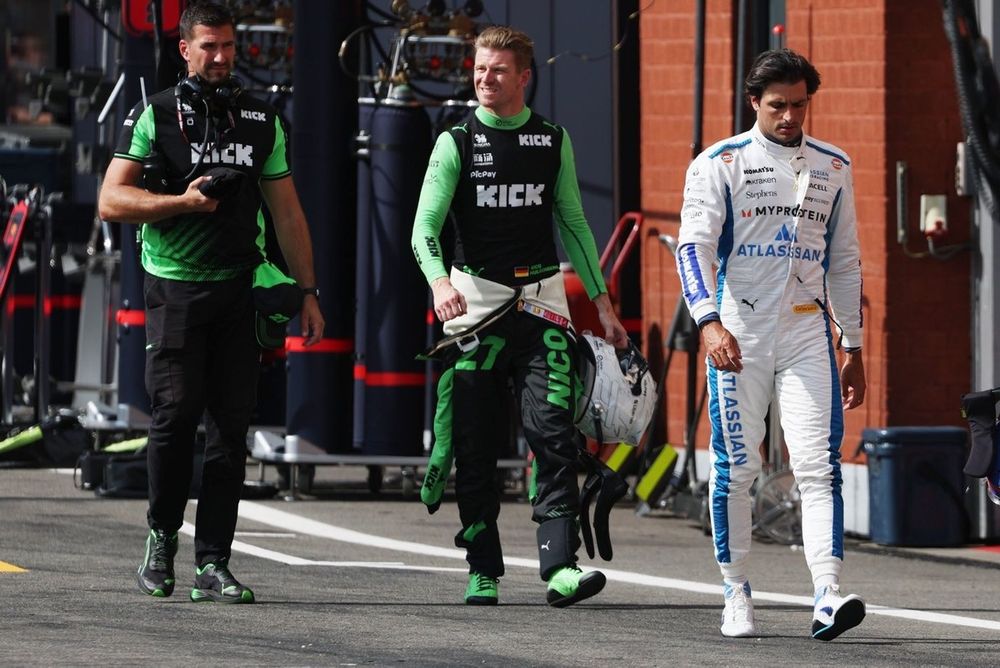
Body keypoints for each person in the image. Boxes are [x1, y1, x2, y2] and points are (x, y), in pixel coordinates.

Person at [98, 1, 324, 604]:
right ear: (185, 49)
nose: (221, 57)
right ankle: (161, 539)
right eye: (209, 47)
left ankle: (215, 562)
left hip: (239, 290)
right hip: (172, 285)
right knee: (173, 419)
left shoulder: (261, 118)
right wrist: (181, 204)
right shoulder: (156, 113)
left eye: (228, 46)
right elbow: (111, 202)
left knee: (232, 427)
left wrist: (308, 292)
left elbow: (288, 212)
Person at [411, 25, 628, 607]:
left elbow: (575, 224)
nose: (485, 79)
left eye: (498, 70)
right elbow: (424, 228)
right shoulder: (455, 141)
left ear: (524, 76)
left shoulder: (553, 139)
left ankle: (560, 567)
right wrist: (438, 283)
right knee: (477, 448)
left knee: (554, 435)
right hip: (475, 311)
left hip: (541, 307)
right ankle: (482, 566)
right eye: (480, 69)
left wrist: (603, 306)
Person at [676, 48, 867, 640]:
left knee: (818, 464)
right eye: (777, 105)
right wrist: (708, 322)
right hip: (739, 330)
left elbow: (846, 260)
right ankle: (735, 590)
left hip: (808, 329)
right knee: (738, 467)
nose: (789, 116)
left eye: (799, 105)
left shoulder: (835, 165)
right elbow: (693, 249)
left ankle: (828, 593)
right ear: (754, 102)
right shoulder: (719, 163)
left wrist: (854, 345)